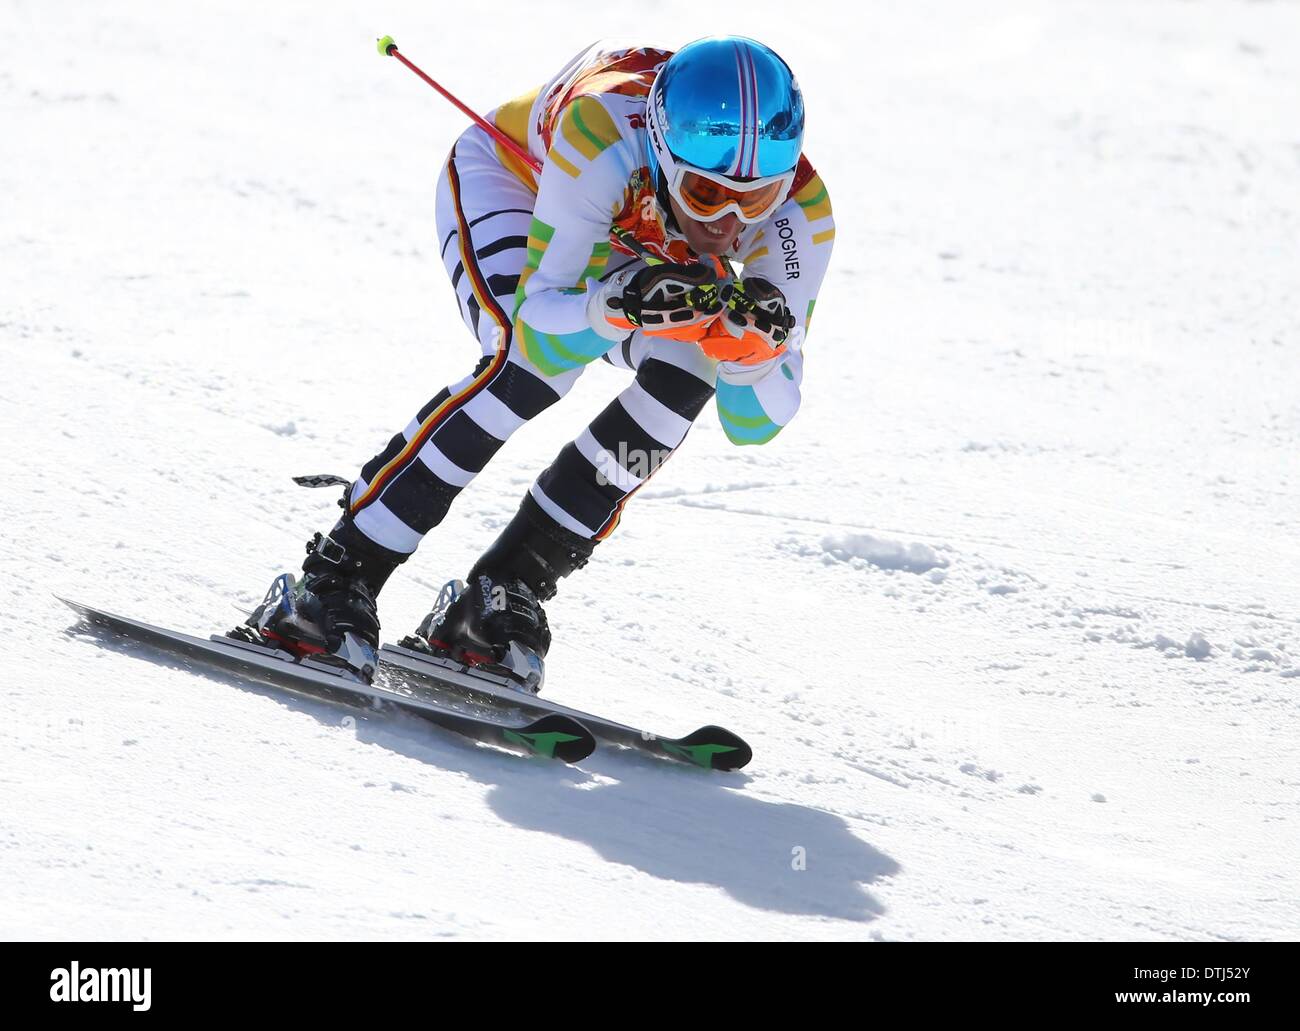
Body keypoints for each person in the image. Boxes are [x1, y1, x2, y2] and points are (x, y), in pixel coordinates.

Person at [243, 36, 836, 689]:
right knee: (529, 366)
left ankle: (503, 590)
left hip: (628, 247)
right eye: (703, 191)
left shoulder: (803, 212)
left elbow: (755, 422)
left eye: (753, 202)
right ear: (663, 151)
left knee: (691, 372)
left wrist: (754, 355)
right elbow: (543, 326)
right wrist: (619, 304)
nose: (726, 224)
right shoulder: (604, 129)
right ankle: (335, 575)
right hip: (520, 190)